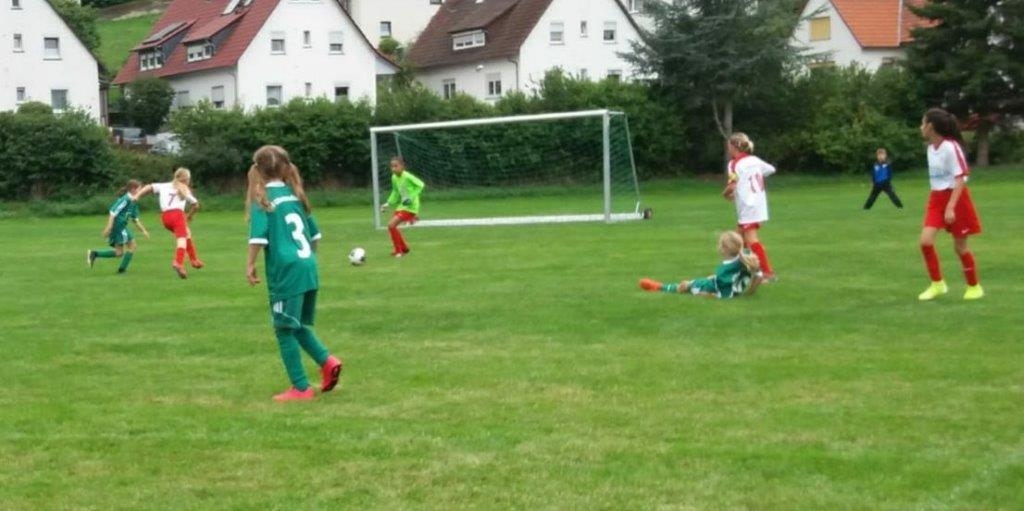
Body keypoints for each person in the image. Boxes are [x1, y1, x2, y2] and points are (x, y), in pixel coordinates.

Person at [246, 145, 343, 402]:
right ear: (285, 169)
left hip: (286, 271)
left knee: (283, 328)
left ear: (258, 170)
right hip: (307, 265)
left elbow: (258, 238)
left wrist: (250, 265)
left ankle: (300, 388)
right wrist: (307, 260)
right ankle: (328, 362)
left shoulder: (263, 199)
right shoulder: (294, 195)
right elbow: (316, 235)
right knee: (295, 324)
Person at [917, 108, 984, 301]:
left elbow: (961, 177)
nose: (920, 127)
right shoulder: (930, 148)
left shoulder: (950, 147)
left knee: (960, 247)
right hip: (936, 198)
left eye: (923, 123)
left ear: (930, 126)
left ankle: (974, 287)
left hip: (956, 198)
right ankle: (937, 284)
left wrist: (951, 206)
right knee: (925, 242)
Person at [639, 231, 762, 298]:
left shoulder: (724, 270)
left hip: (710, 288)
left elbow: (722, 293)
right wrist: (750, 292)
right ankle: (661, 286)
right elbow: (759, 275)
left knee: (688, 286)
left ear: (724, 249)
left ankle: (659, 287)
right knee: (694, 282)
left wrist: (707, 295)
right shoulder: (746, 256)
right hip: (720, 285)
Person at [722, 132, 777, 280]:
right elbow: (771, 169)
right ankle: (743, 268)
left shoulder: (734, 164)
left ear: (734, 147)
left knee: (751, 239)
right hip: (758, 204)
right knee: (738, 239)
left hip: (748, 205)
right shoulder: (754, 160)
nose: (728, 148)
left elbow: (732, 185)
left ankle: (767, 273)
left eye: (729, 145)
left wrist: (725, 194)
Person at [133, 168, 203, 279]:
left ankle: (194, 260)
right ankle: (178, 262)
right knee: (182, 239)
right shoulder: (184, 189)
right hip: (178, 215)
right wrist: (189, 216)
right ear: (186, 179)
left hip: (165, 218)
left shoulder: (163, 186)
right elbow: (196, 205)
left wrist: (137, 196)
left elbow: (149, 187)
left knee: (187, 233)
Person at [87, 179, 150, 273]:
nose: (141, 191)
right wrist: (109, 227)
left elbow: (135, 219)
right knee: (132, 246)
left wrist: (144, 231)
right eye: (139, 189)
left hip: (122, 227)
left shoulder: (134, 201)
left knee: (119, 253)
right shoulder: (125, 199)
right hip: (118, 227)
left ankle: (94, 254)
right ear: (133, 189)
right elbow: (113, 212)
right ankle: (122, 270)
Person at [379, 156, 425, 257]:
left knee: (391, 225)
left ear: (402, 166)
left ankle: (399, 251)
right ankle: (404, 248)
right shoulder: (394, 178)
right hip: (403, 205)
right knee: (392, 227)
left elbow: (421, 185)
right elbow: (395, 192)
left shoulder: (407, 176)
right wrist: (388, 203)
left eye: (396, 166)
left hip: (411, 206)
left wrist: (411, 197)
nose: (393, 169)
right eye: (392, 166)